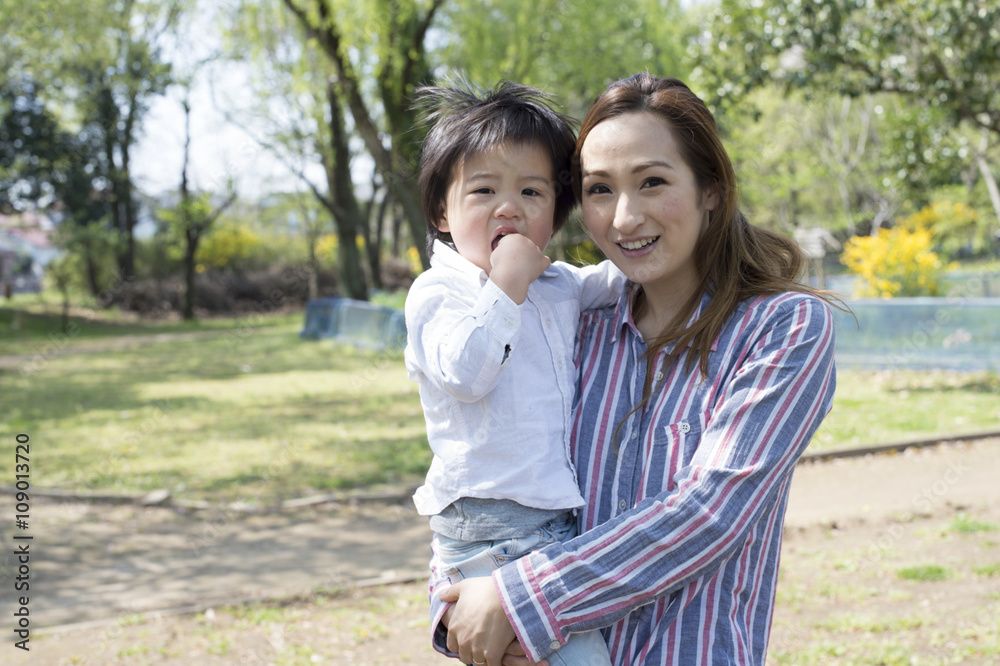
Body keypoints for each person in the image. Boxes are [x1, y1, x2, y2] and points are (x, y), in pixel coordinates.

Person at [431, 73, 840, 666]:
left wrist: (517, 601)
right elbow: (476, 462)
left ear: (711, 190)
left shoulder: (782, 327)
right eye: (600, 190)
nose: (624, 218)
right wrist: (459, 606)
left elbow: (711, 513)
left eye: (652, 182)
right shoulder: (568, 325)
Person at [405, 78, 624, 666]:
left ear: (556, 209)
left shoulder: (559, 283)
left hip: (553, 524)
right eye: (483, 191)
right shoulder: (438, 293)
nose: (510, 207)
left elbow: (623, 277)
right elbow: (465, 373)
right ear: (441, 211)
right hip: (486, 528)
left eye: (532, 190)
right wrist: (505, 285)